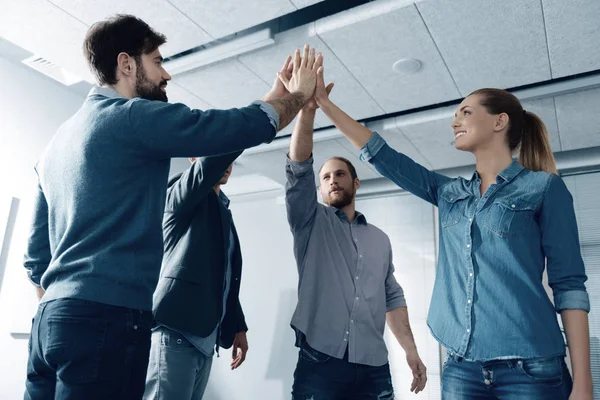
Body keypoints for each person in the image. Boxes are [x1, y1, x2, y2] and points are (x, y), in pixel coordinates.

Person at [23, 14, 320, 399]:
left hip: (49, 325)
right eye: (158, 61)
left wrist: (65, 311)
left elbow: (34, 260)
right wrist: (296, 97)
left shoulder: (56, 143)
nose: (167, 75)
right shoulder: (131, 117)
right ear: (127, 64)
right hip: (104, 320)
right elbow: (224, 129)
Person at [313, 72, 593, 399]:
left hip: (530, 367)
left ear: (499, 121)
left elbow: (570, 285)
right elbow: (383, 156)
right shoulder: (449, 194)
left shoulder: (543, 188)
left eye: (465, 112)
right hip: (462, 368)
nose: (454, 121)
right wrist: (324, 104)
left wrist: (583, 380)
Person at [280, 57, 427, 399]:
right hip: (320, 364)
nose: (333, 180)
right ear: (319, 188)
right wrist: (307, 108)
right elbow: (298, 168)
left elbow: (392, 297)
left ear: (356, 184)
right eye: (326, 177)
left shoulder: (379, 239)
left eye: (340, 174)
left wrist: (410, 349)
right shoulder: (309, 223)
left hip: (374, 366)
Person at [143, 154, 247, 400]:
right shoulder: (182, 194)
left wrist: (238, 327)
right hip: (176, 332)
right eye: (220, 155)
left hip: (205, 342)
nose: (227, 164)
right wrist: (243, 129)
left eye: (230, 159)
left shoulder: (222, 210)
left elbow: (222, 277)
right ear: (193, 159)